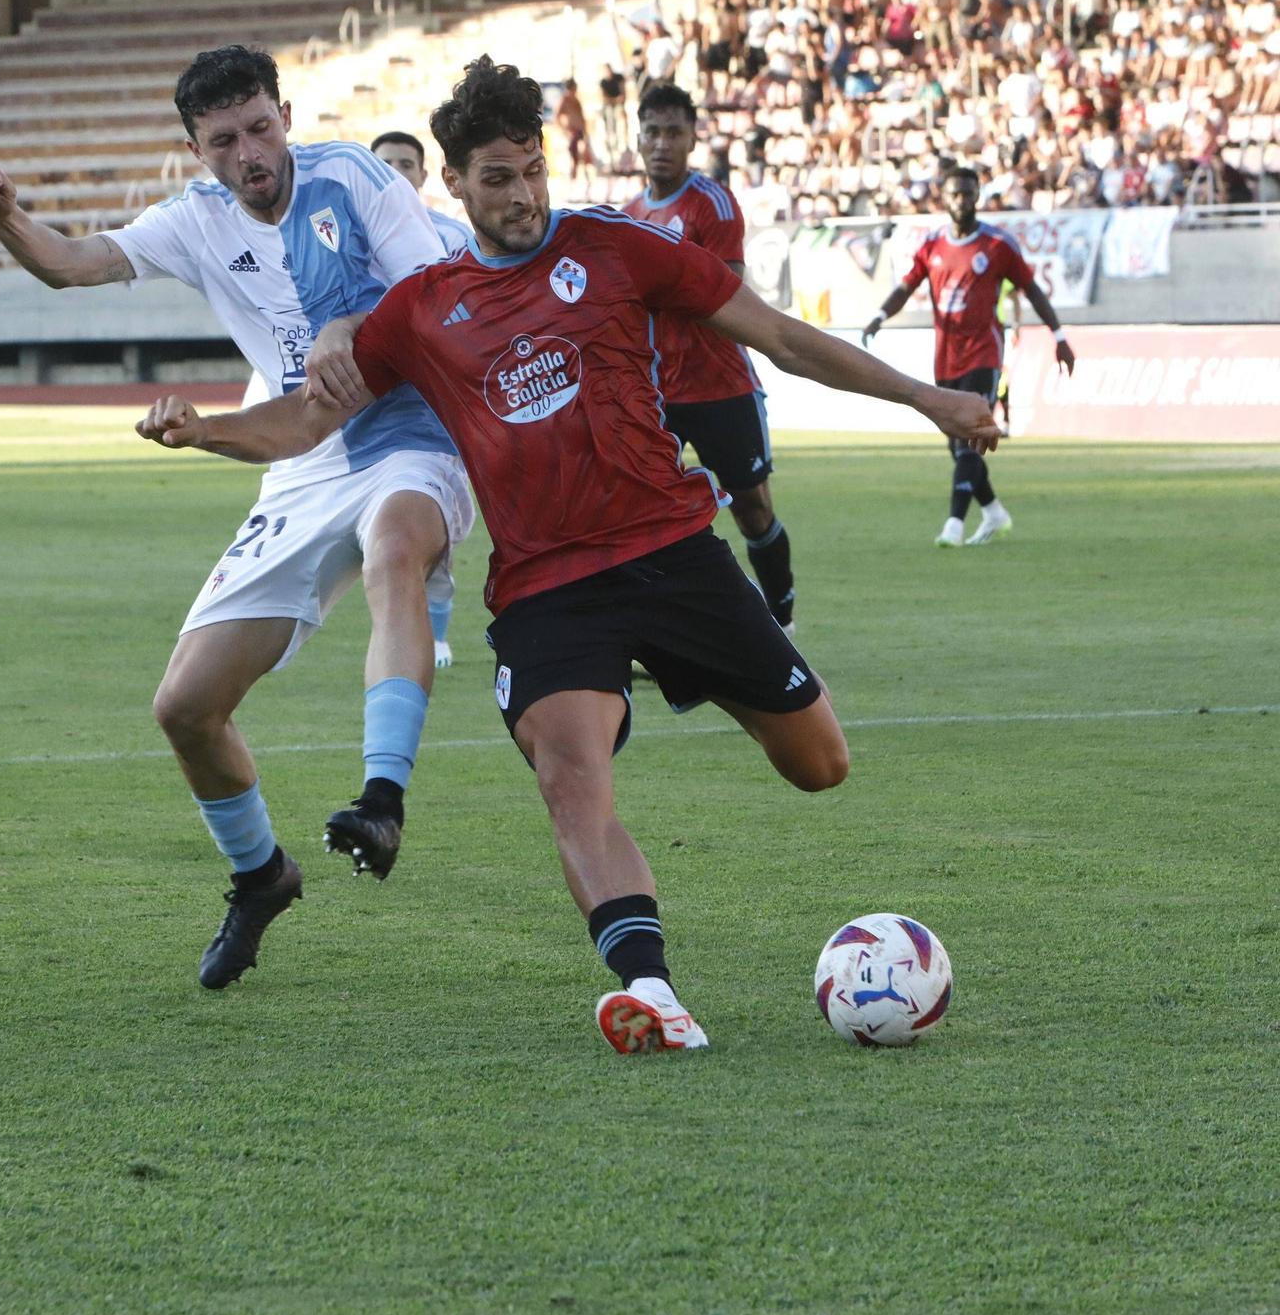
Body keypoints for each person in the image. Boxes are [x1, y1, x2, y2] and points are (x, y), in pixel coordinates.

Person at [137, 56, 998, 1054]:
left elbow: (778, 336)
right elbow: (299, 423)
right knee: (568, 771)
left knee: (819, 764)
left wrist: (929, 401)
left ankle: (690, 717)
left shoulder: (615, 247)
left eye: (531, 170)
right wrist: (206, 431)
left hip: (674, 551)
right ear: (452, 187)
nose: (520, 196)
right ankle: (649, 990)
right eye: (494, 179)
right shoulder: (420, 308)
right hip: (550, 587)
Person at [0, 46, 474, 989]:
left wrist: (350, 328)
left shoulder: (355, 178)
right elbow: (73, 264)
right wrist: (9, 222)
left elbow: (439, 291)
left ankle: (381, 798)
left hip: (410, 430)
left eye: (261, 128)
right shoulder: (195, 222)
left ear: (286, 113)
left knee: (394, 549)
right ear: (195, 150)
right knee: (185, 707)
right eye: (225, 140)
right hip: (296, 459)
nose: (250, 153)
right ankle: (261, 875)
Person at [623, 85, 796, 633]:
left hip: (722, 387)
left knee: (752, 510)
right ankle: (666, 635)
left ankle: (783, 623)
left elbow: (727, 291)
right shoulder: (627, 216)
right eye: (653, 131)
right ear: (638, 138)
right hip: (656, 393)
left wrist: (654, 291)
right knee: (646, 513)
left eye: (674, 132)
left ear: (694, 137)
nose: (662, 143)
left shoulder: (713, 204)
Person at [863, 165, 1076, 545]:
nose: (962, 200)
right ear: (944, 198)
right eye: (955, 194)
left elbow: (1032, 290)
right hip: (946, 358)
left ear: (978, 196)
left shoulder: (997, 245)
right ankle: (994, 513)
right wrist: (879, 315)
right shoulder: (932, 247)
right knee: (956, 445)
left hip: (984, 356)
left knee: (968, 441)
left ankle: (954, 526)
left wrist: (1058, 335)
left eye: (968, 193)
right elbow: (906, 287)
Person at [369, 128, 468, 668]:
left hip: (434, 405)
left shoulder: (453, 237)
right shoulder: (348, 241)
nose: (397, 173)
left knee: (434, 528)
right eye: (385, 164)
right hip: (364, 406)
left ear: (424, 176)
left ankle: (436, 630)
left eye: (407, 164)